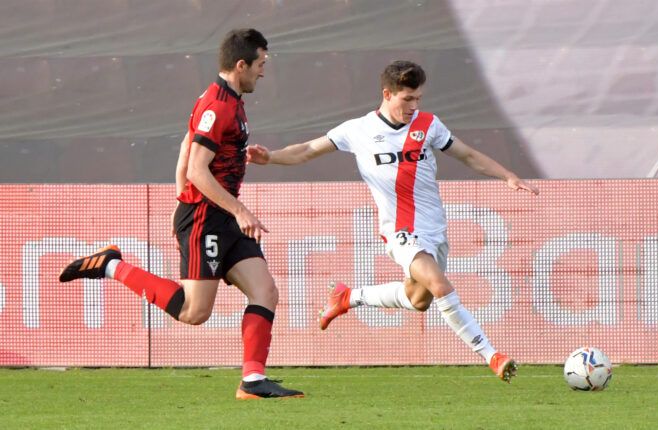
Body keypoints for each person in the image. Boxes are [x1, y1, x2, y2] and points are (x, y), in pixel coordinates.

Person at [247, 60, 539, 382]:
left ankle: (348, 297)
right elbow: (305, 150)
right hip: (400, 231)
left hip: (434, 231)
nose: (414, 107)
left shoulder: (429, 125)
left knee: (419, 300)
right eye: (407, 99)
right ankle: (493, 356)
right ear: (387, 94)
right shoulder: (358, 131)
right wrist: (271, 157)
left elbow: (468, 155)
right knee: (440, 286)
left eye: (418, 99)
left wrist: (508, 176)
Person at [58, 28, 303, 399]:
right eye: (260, 64)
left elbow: (188, 147)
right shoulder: (218, 105)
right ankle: (110, 265)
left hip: (222, 215)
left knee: (265, 291)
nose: (263, 72)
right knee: (193, 312)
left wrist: (183, 184)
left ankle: (252, 381)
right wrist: (237, 209)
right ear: (241, 65)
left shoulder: (228, 99)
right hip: (208, 218)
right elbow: (198, 169)